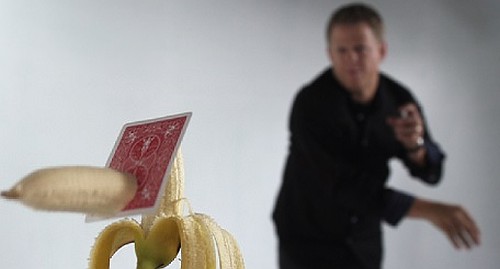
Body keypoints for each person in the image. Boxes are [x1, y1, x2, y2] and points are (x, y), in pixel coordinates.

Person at [272, 3, 480, 269]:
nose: (351, 59)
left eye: (360, 49)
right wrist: (428, 210)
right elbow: (342, 185)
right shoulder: (312, 103)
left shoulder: (399, 99)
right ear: (330, 54)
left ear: (381, 51)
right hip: (307, 239)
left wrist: (414, 147)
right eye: (342, 50)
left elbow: (432, 171)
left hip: (362, 240)